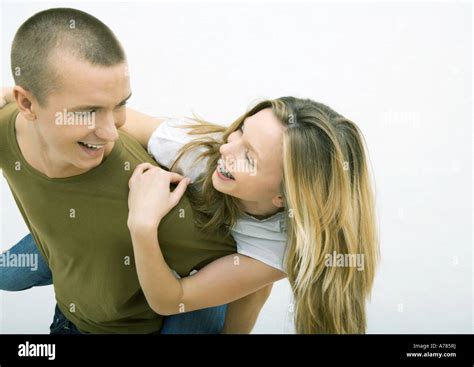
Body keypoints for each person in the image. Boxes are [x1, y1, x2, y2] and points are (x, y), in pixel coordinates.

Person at [0, 7, 265, 334]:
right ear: (26, 105)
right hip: (69, 313)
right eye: (88, 112)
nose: (112, 132)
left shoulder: (155, 196)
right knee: (7, 276)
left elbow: (247, 276)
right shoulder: (7, 121)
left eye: (120, 104)